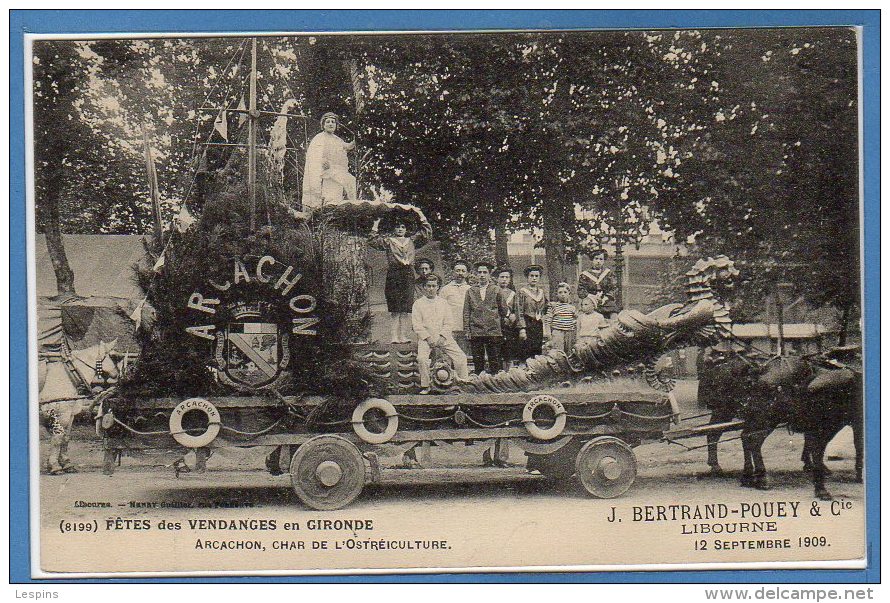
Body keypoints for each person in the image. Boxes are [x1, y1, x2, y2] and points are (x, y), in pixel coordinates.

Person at [368, 215, 433, 343]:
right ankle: (394, 337)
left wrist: (421, 216)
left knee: (405, 308)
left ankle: (403, 336)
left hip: (408, 274)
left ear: (406, 229)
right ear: (393, 229)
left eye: (403, 227)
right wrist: (376, 223)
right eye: (397, 227)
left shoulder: (411, 241)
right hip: (394, 274)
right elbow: (372, 240)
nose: (400, 229)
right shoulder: (389, 241)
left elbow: (426, 234)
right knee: (395, 308)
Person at [411, 274, 469, 394]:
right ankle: (425, 386)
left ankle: (463, 384)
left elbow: (449, 322)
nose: (431, 288)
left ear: (438, 287)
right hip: (426, 338)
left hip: (444, 337)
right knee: (422, 358)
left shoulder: (443, 303)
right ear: (424, 287)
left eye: (434, 286)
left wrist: (443, 337)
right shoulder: (418, 304)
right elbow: (417, 325)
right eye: (428, 286)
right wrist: (428, 338)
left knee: (461, 358)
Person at [301, 112, 357, 211]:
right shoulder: (319, 138)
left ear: (336, 125)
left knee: (348, 183)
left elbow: (348, 146)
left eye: (333, 122)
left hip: (336, 170)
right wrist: (322, 160)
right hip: (324, 171)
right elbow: (313, 154)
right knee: (329, 196)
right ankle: (324, 210)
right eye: (328, 122)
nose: (330, 124)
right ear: (323, 125)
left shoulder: (337, 140)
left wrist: (356, 139)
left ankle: (351, 207)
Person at [463, 261, 503, 374]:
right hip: (476, 330)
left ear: (489, 275)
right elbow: (466, 311)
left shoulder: (496, 289)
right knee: (478, 359)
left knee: (494, 359)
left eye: (485, 272)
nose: (481, 275)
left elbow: (503, 310)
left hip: (493, 330)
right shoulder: (470, 291)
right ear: (476, 274)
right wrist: (467, 329)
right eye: (479, 272)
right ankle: (479, 382)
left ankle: (495, 381)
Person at [439, 260, 472, 354]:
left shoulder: (470, 290)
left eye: (463, 271)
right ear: (453, 272)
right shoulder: (445, 289)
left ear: (467, 273)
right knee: (449, 355)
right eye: (457, 271)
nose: (460, 273)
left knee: (463, 355)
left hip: (464, 329)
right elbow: (440, 309)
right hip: (450, 330)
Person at [496, 267, 525, 370]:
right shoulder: (494, 291)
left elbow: (517, 309)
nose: (504, 279)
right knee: (497, 351)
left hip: (509, 325)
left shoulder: (513, 293)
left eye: (507, 277)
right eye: (502, 277)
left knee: (509, 350)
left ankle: (508, 372)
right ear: (497, 278)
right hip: (497, 325)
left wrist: (514, 316)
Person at [517, 264, 547, 360]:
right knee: (527, 350)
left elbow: (546, 307)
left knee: (537, 351)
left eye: (536, 276)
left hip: (538, 323)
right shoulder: (522, 292)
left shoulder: (542, 292)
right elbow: (519, 310)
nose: (534, 278)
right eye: (531, 276)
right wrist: (522, 328)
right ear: (527, 277)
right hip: (527, 323)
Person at [578, 248, 618, 317]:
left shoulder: (608, 273)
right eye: (596, 259)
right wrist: (591, 296)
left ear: (604, 260)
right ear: (592, 260)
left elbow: (614, 288)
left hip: (606, 302)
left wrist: (605, 298)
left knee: (614, 315)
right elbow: (581, 290)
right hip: (590, 301)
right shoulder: (585, 274)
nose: (598, 261)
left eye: (601, 259)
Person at [544, 282, 578, 354]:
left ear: (569, 294)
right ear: (557, 294)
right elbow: (548, 321)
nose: (563, 294)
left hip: (569, 333)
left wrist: (574, 324)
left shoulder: (572, 307)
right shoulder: (553, 306)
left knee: (569, 352)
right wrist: (548, 334)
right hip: (557, 332)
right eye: (560, 292)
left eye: (565, 292)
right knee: (558, 353)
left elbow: (577, 319)